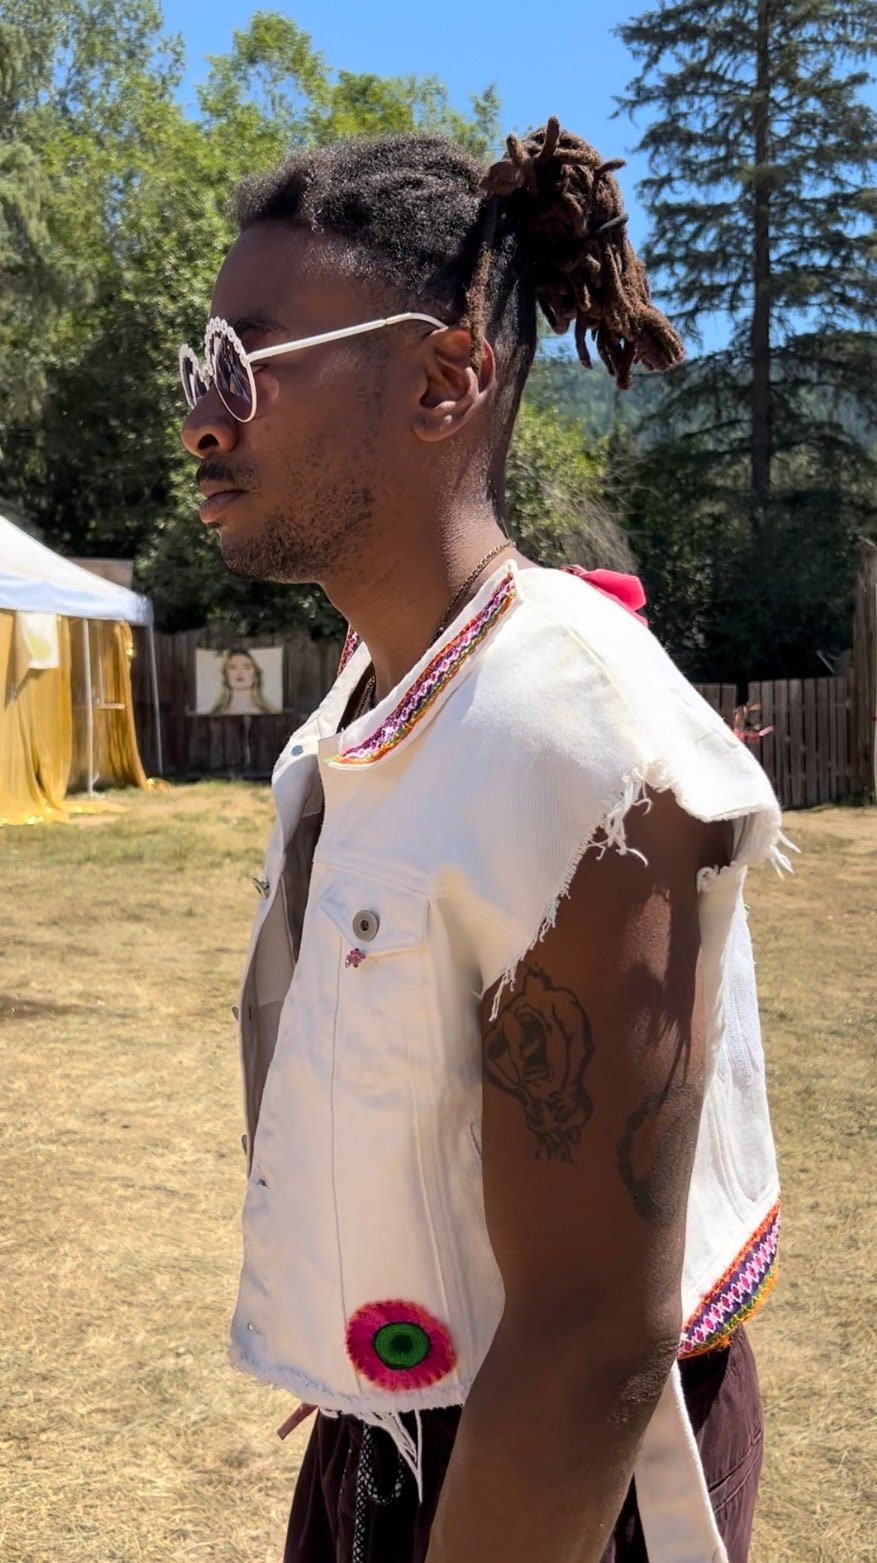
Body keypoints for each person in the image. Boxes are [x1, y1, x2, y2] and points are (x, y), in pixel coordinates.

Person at [179, 120, 796, 1563]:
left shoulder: (574, 734)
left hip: (555, 1473)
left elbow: (587, 1336)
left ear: (443, 380)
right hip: (387, 1425)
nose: (205, 418)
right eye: (198, 364)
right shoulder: (354, 710)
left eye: (249, 363)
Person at [209, 647, 279, 715]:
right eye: (233, 667)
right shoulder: (215, 713)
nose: (239, 672)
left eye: (246, 667)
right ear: (226, 675)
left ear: (255, 675)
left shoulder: (271, 712)